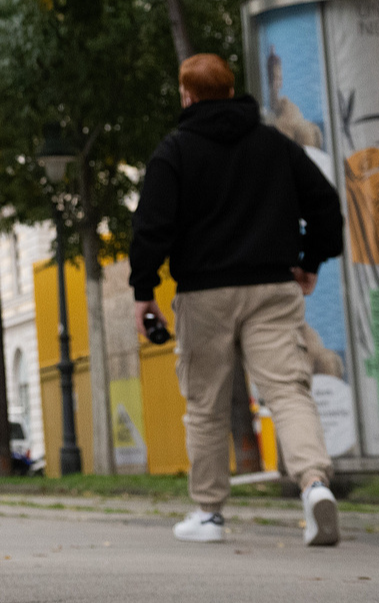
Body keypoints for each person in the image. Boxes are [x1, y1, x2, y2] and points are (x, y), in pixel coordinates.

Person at [130, 53, 344, 546]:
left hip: (204, 294)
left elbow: (151, 227)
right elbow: (325, 203)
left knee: (206, 403)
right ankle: (313, 485)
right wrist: (310, 260)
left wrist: (144, 291)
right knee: (289, 390)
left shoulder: (175, 152)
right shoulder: (274, 145)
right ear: (231, 92)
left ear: (186, 96)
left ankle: (208, 514)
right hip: (273, 286)